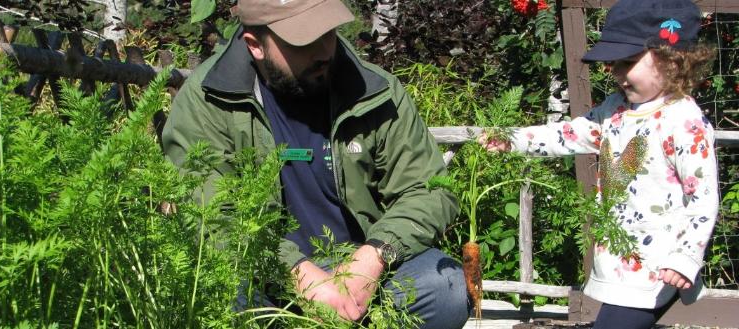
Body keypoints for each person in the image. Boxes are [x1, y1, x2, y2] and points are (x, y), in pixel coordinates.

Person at [161, 0, 470, 327]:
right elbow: (210, 213)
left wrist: (374, 255)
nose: (324, 51)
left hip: (361, 275)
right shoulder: (209, 100)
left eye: (329, 32)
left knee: (444, 287)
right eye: (304, 42)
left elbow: (429, 189)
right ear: (255, 46)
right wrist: (295, 273)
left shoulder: (375, 90)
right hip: (265, 277)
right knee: (221, 298)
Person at [481, 0, 717, 328]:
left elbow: (702, 199)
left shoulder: (684, 121)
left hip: (659, 265)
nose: (616, 72)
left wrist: (685, 258)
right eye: (614, 63)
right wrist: (514, 139)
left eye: (627, 62)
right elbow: (569, 133)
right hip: (619, 259)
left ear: (672, 61)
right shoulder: (615, 110)